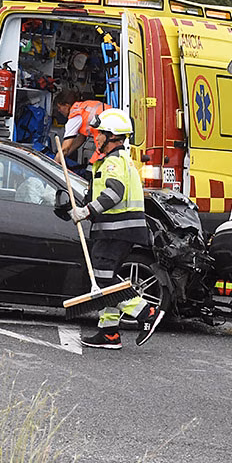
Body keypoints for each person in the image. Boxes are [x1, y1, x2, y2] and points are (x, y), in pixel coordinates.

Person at [69, 108, 164, 350]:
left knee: (102, 279)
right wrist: (77, 208)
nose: (95, 137)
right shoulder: (114, 160)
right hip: (116, 230)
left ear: (111, 136)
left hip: (117, 230)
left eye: (99, 133)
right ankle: (109, 332)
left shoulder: (114, 161)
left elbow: (114, 193)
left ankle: (146, 312)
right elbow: (99, 194)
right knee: (107, 278)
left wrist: (87, 211)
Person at [54, 89, 105, 167]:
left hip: (106, 139)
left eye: (59, 107)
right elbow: (81, 139)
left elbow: (65, 148)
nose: (59, 110)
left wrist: (54, 164)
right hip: (112, 134)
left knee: (94, 167)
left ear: (67, 105)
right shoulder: (84, 107)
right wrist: (65, 155)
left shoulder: (75, 115)